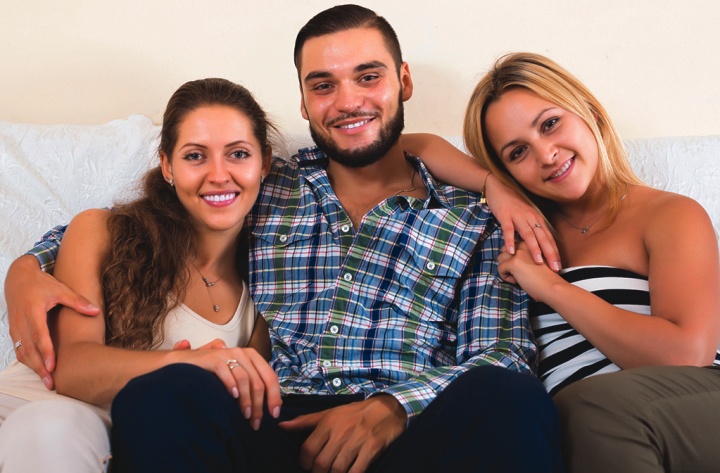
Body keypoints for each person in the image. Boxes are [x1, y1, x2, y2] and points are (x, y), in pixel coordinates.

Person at [4, 6, 564, 473]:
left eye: (368, 76)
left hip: (407, 430)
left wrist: (393, 407)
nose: (347, 102)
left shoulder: (478, 218)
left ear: (404, 81)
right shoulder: (271, 182)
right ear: (303, 102)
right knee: (164, 394)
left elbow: (505, 354)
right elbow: (149, 220)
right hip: (273, 421)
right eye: (323, 85)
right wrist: (28, 264)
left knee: (511, 400)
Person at [416, 51, 720, 473]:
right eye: (517, 152)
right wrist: (490, 185)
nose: (546, 154)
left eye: (550, 124)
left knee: (587, 409)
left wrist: (551, 287)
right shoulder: (520, 234)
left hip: (691, 404)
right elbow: (409, 145)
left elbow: (688, 351)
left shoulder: (668, 214)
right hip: (584, 430)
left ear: (589, 112)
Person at [0, 78, 282, 472]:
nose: (219, 175)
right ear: (167, 165)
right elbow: (72, 368)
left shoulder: (263, 300)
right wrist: (192, 363)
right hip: (33, 418)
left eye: (238, 153)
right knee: (54, 427)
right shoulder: (101, 231)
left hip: (126, 452)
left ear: (264, 163)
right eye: (195, 156)